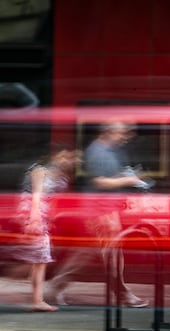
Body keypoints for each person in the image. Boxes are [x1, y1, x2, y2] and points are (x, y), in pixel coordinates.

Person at [46, 122, 148, 308]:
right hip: (101, 211)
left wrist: (125, 178)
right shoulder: (97, 152)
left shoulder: (111, 151)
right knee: (108, 255)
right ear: (108, 132)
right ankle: (123, 295)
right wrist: (130, 179)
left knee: (92, 253)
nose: (125, 137)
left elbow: (111, 177)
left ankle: (56, 287)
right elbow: (101, 182)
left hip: (107, 210)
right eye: (121, 132)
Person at [15, 143, 77, 312]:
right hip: (33, 212)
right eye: (63, 156)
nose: (67, 160)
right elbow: (36, 194)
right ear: (54, 156)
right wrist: (34, 218)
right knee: (40, 257)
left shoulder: (60, 175)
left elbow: (54, 199)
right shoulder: (39, 170)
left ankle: (36, 297)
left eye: (69, 157)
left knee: (39, 258)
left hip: (44, 215)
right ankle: (37, 300)